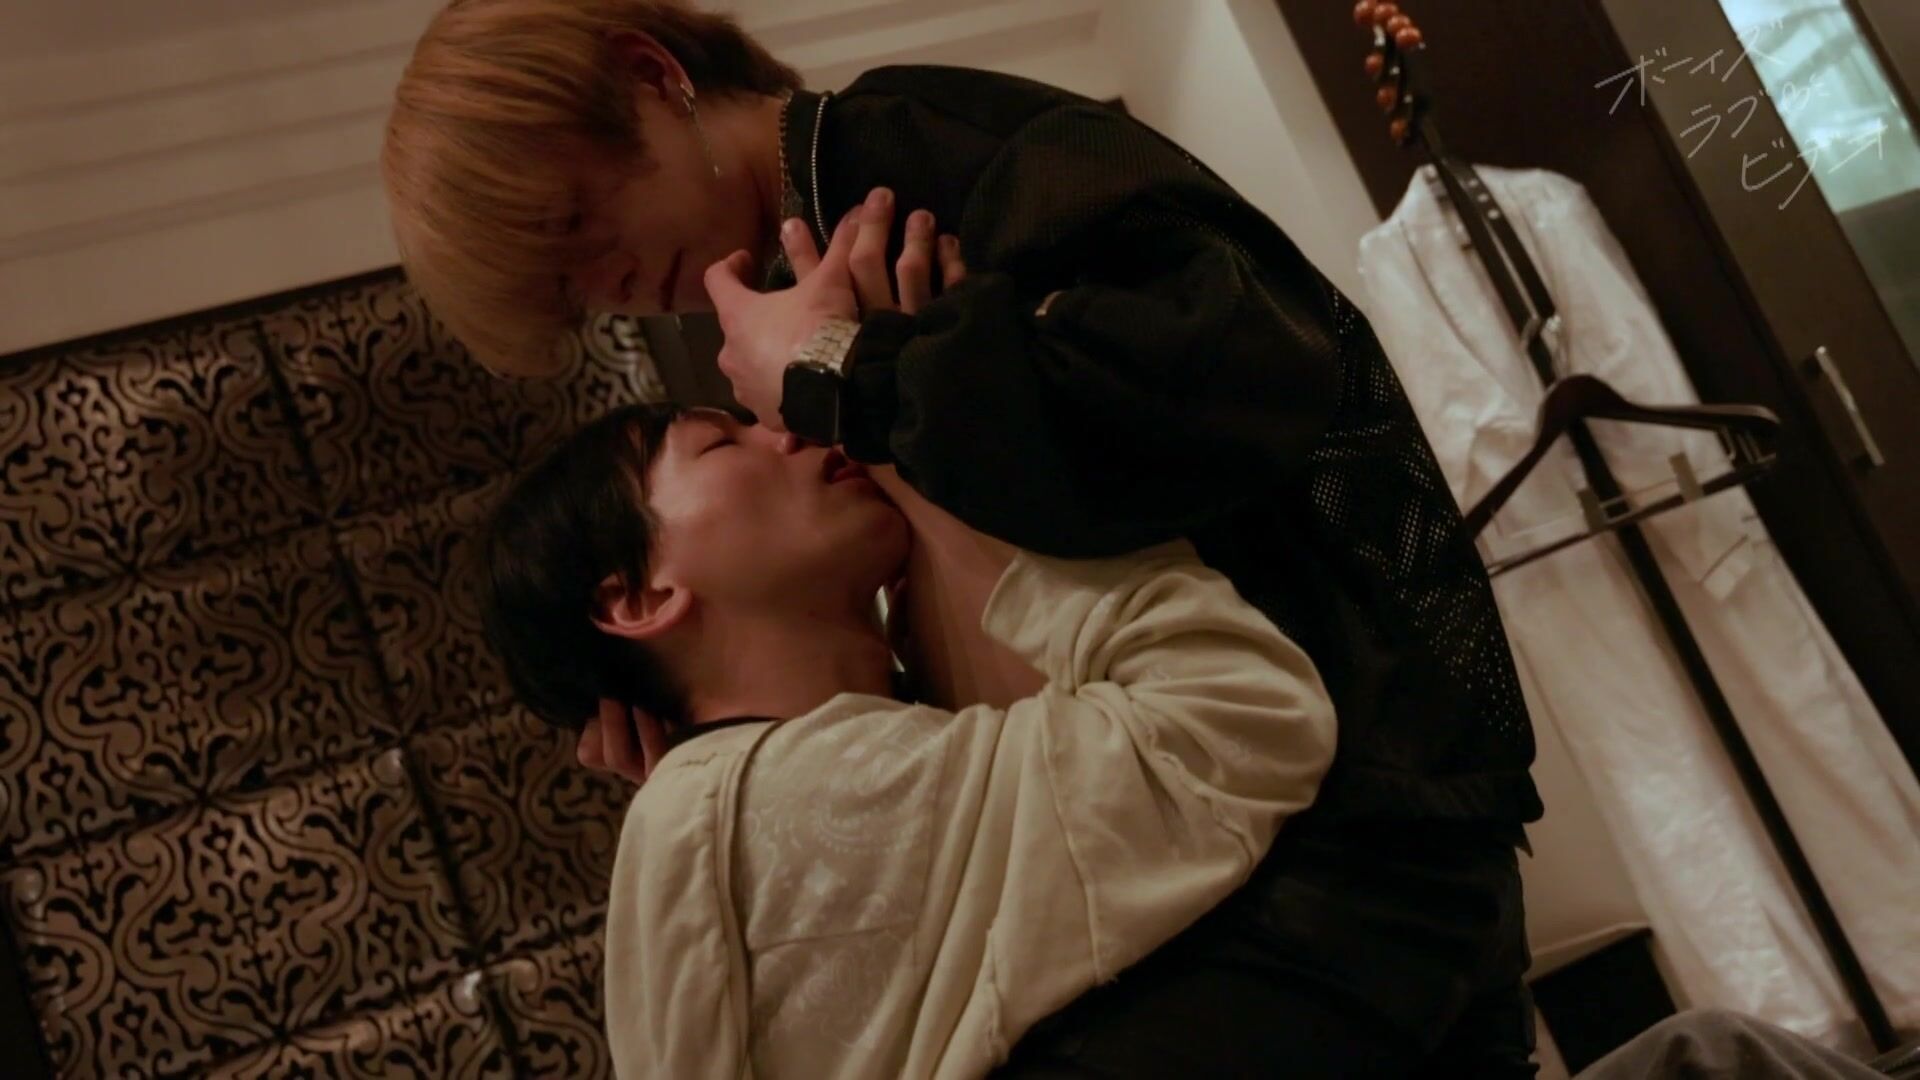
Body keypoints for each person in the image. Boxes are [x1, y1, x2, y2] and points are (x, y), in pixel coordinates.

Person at [384, 2, 1544, 1072]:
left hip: (1355, 818)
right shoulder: (795, 302)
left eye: (576, 224)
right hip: (1277, 848)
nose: (614, 284)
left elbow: (1255, 368)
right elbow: (998, 616)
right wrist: (703, 713)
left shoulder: (924, 156)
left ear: (651, 76)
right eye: (574, 293)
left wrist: (852, 373)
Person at [475, 392, 1338, 1077]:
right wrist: (946, 455)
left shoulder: (746, 809)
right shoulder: (777, 805)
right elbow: (1239, 722)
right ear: (639, 598)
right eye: (721, 444)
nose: (783, 431)